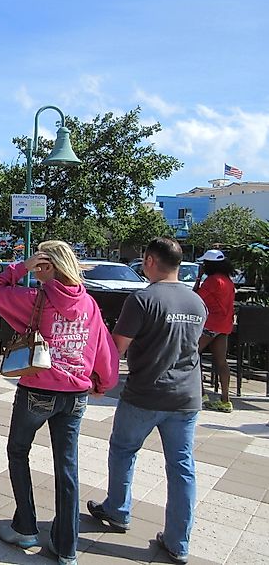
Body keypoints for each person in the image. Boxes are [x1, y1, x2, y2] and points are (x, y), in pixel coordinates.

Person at [0, 240, 119, 565]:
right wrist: (103, 382)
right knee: (67, 467)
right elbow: (103, 348)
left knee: (18, 452)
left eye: (41, 263)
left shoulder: (36, 299)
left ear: (48, 266)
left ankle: (26, 527)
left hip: (37, 392)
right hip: (75, 396)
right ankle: (66, 547)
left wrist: (22, 267)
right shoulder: (89, 304)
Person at [88, 237, 207, 565]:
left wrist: (99, 381)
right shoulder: (197, 302)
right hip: (187, 398)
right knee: (182, 468)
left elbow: (116, 347)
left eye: (143, 260)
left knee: (124, 450)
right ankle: (178, 542)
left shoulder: (142, 299)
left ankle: (117, 509)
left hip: (145, 395)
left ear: (152, 261)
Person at [193, 249, 236, 413]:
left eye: (205, 263)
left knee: (192, 354)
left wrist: (198, 277)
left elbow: (195, 298)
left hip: (210, 324)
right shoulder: (228, 281)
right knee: (221, 361)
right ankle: (225, 400)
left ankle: (201, 394)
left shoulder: (212, 281)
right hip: (224, 326)